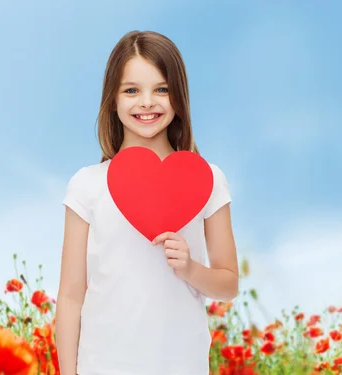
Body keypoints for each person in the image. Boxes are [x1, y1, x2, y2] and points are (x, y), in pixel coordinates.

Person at [54, 30, 239, 375]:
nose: (147, 102)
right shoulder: (87, 185)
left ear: (179, 97)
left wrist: (190, 268)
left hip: (182, 364)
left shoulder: (208, 179)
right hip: (103, 364)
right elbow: (70, 295)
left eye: (161, 89)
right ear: (112, 99)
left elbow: (229, 284)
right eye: (132, 90)